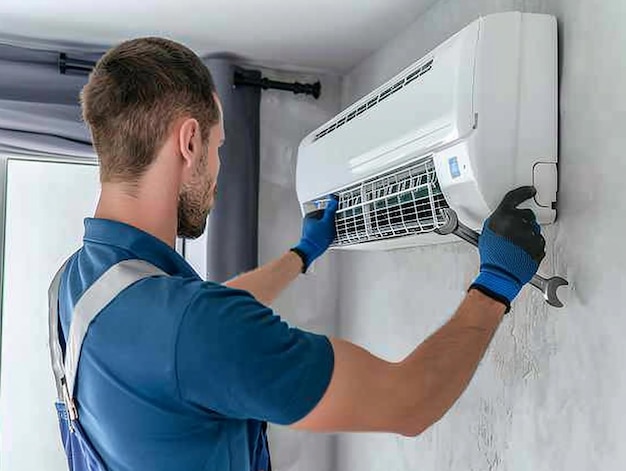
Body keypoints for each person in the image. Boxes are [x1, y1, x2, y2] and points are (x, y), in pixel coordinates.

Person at [52, 37, 545, 471]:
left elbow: (198, 320)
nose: (218, 171)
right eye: (218, 148)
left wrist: (303, 254)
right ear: (188, 141)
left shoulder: (75, 287)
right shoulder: (192, 329)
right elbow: (409, 402)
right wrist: (496, 283)